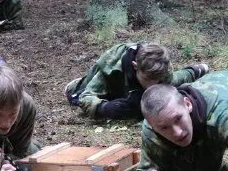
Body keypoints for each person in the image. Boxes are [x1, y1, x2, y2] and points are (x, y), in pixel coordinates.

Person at [64, 42, 210, 120]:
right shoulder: (112, 66)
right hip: (113, 84)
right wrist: (105, 108)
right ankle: (77, 83)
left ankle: (196, 69)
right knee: (75, 94)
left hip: (133, 88)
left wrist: (195, 71)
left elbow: (176, 79)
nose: (153, 85)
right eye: (148, 79)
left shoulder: (160, 67)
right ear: (135, 66)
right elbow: (86, 97)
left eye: (157, 79)